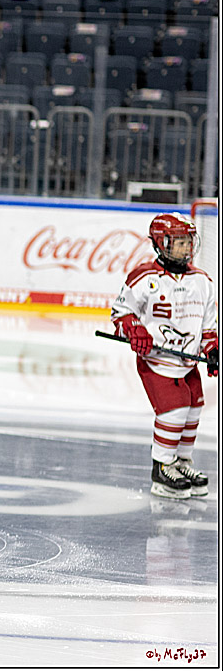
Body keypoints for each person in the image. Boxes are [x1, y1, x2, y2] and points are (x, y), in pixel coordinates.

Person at [110, 212, 217, 499]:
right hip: (157, 361)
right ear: (161, 242)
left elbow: (208, 324)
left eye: (188, 241)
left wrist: (212, 348)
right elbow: (121, 312)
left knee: (194, 409)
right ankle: (162, 467)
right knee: (174, 410)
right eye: (179, 241)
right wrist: (135, 330)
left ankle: (181, 462)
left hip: (188, 361)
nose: (186, 247)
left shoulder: (202, 281)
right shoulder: (144, 277)